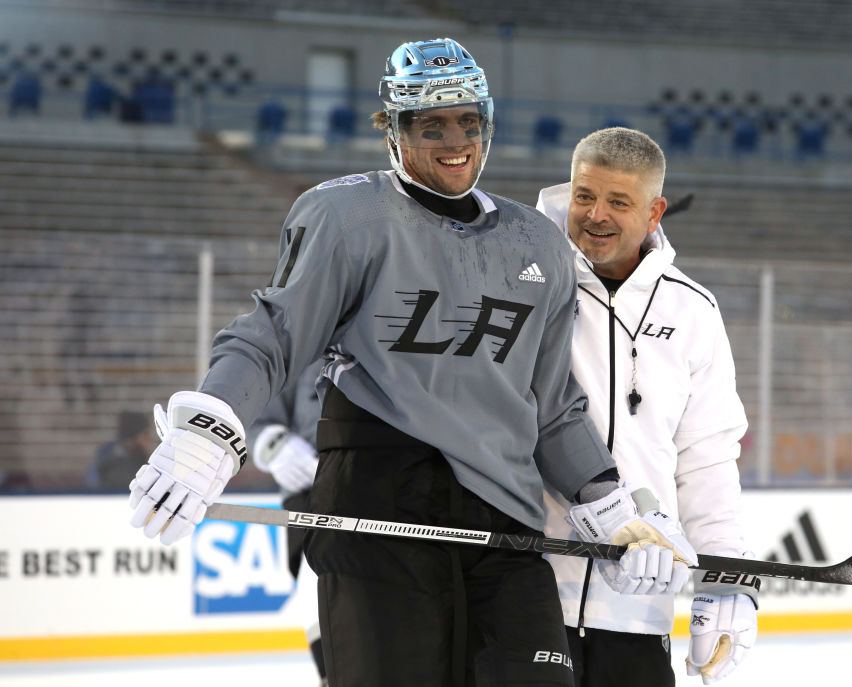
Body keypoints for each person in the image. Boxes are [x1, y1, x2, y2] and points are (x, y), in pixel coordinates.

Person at [128, 38, 698, 687]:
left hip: (506, 538)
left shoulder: (536, 241)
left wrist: (612, 507)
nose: (456, 140)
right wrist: (211, 429)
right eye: (432, 125)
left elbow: (553, 407)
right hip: (379, 521)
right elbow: (272, 335)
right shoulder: (347, 217)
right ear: (394, 131)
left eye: (469, 122)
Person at [536, 127, 758, 686]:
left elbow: (707, 458)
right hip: (528, 594)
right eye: (585, 196)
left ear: (655, 211)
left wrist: (725, 582)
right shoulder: (529, 281)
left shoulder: (694, 311)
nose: (596, 215)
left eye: (619, 201)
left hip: (639, 601)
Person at [247, 362, 326, 686]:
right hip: (312, 496)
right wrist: (274, 446)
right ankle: (332, 674)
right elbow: (256, 418)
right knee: (316, 587)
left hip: (392, 491)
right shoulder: (303, 338)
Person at [86, 411, 157, 490]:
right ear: (132, 437)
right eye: (145, 434)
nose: (149, 440)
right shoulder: (111, 460)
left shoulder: (142, 459)